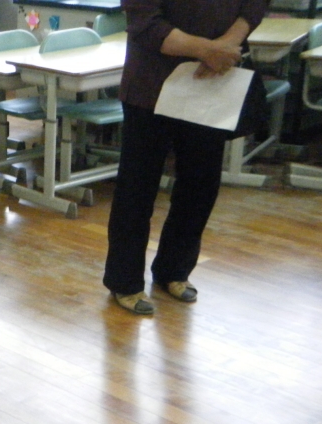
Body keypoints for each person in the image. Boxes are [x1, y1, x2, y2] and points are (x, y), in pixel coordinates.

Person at [103, 0, 268, 315]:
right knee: (137, 189)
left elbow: (254, 4)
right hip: (151, 86)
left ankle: (174, 270)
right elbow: (145, 23)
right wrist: (207, 50)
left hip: (213, 79)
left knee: (200, 185)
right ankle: (124, 280)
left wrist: (224, 47)